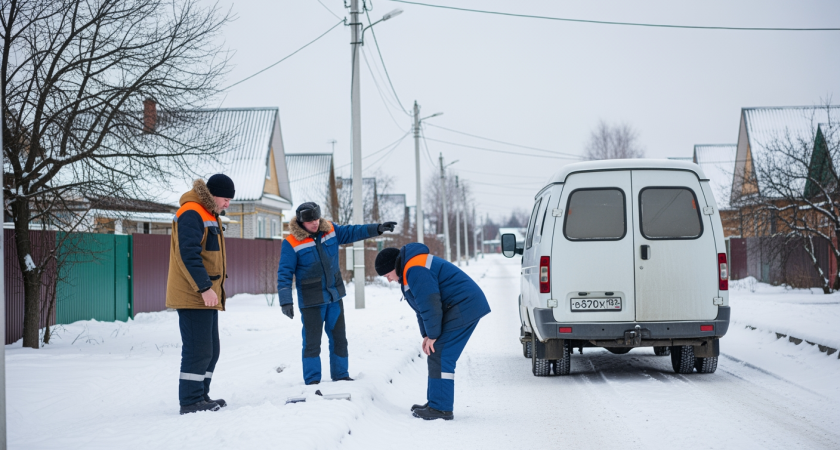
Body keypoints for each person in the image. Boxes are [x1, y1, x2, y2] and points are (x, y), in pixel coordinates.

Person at [277, 202, 396, 385]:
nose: (315, 223)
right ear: (300, 222)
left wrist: (377, 228)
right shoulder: (291, 242)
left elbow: (354, 231)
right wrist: (285, 301)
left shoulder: (330, 230)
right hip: (311, 301)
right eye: (310, 221)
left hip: (334, 296)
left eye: (316, 219)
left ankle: (341, 375)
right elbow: (284, 273)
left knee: (339, 339)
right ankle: (312, 380)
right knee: (312, 343)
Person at [375, 243, 490, 421]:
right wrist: (427, 335)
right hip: (460, 305)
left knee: (441, 354)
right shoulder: (409, 270)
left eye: (387, 275)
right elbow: (421, 308)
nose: (388, 279)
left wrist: (434, 335)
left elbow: (430, 304)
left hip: (465, 305)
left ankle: (441, 408)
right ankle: (435, 403)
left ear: (393, 267)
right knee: (438, 353)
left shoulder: (415, 269)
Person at [166, 174, 234, 415]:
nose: (227, 204)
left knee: (211, 349)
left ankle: (201, 394)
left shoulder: (209, 214)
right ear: (213, 195)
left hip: (207, 294)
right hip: (193, 294)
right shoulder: (192, 212)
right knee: (198, 349)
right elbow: (188, 255)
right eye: (225, 199)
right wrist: (205, 288)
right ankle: (190, 400)